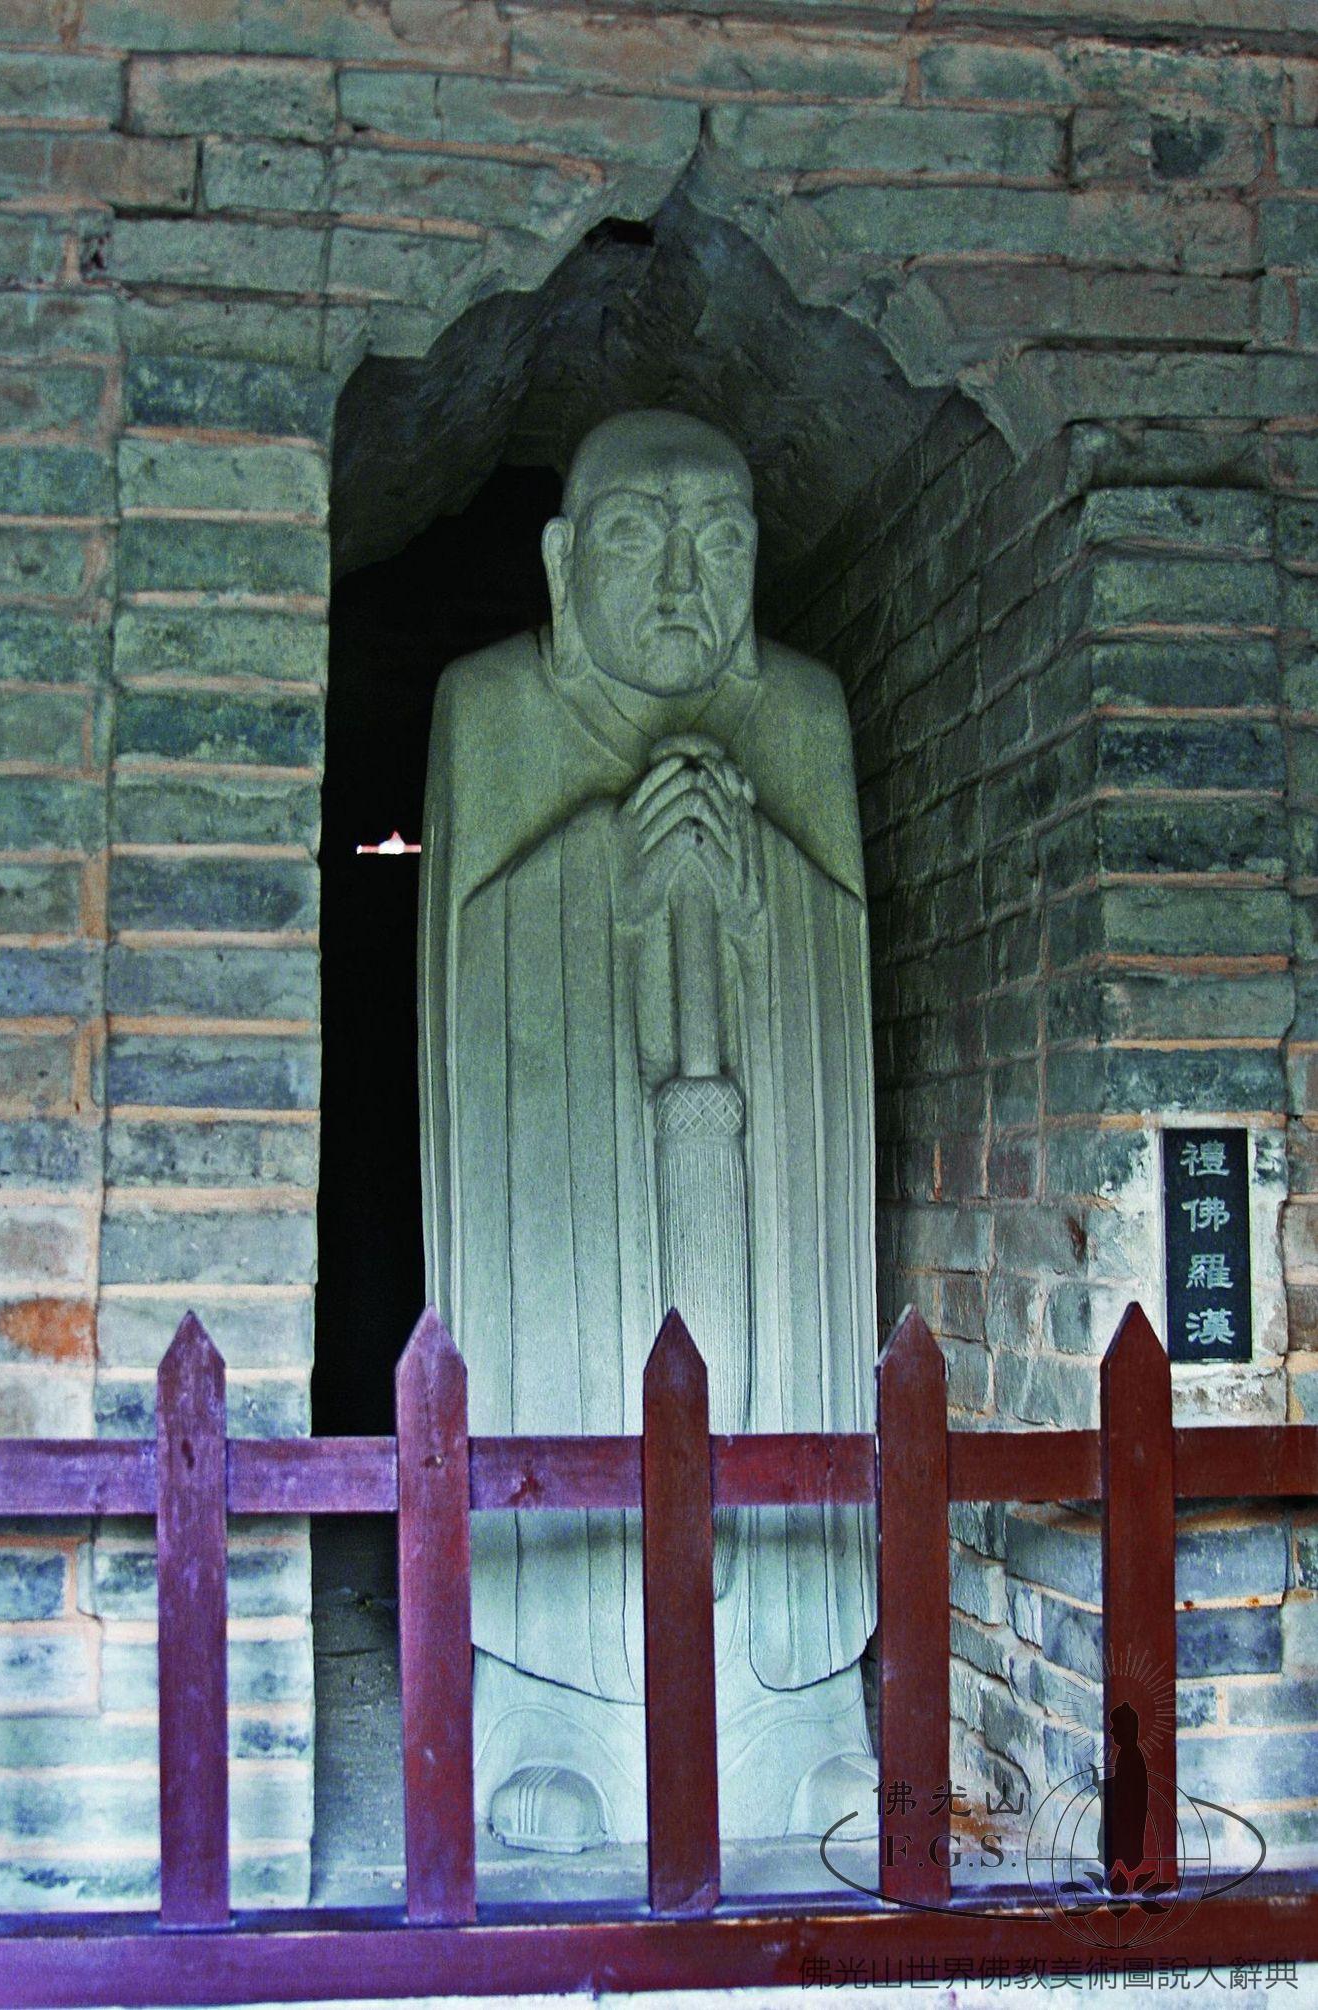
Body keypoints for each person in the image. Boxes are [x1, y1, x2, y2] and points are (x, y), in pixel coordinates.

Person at [418, 409, 879, 1850]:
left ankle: (798, 1705)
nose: (684, 579)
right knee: (568, 1383)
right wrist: (600, 876)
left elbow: (849, 971)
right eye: (637, 535)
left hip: (748, 1167)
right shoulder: (491, 708)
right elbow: (459, 985)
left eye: (721, 541)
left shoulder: (800, 713)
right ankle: (550, 1702)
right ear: (563, 565)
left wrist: (762, 897)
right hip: (577, 1194)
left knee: (772, 1380)